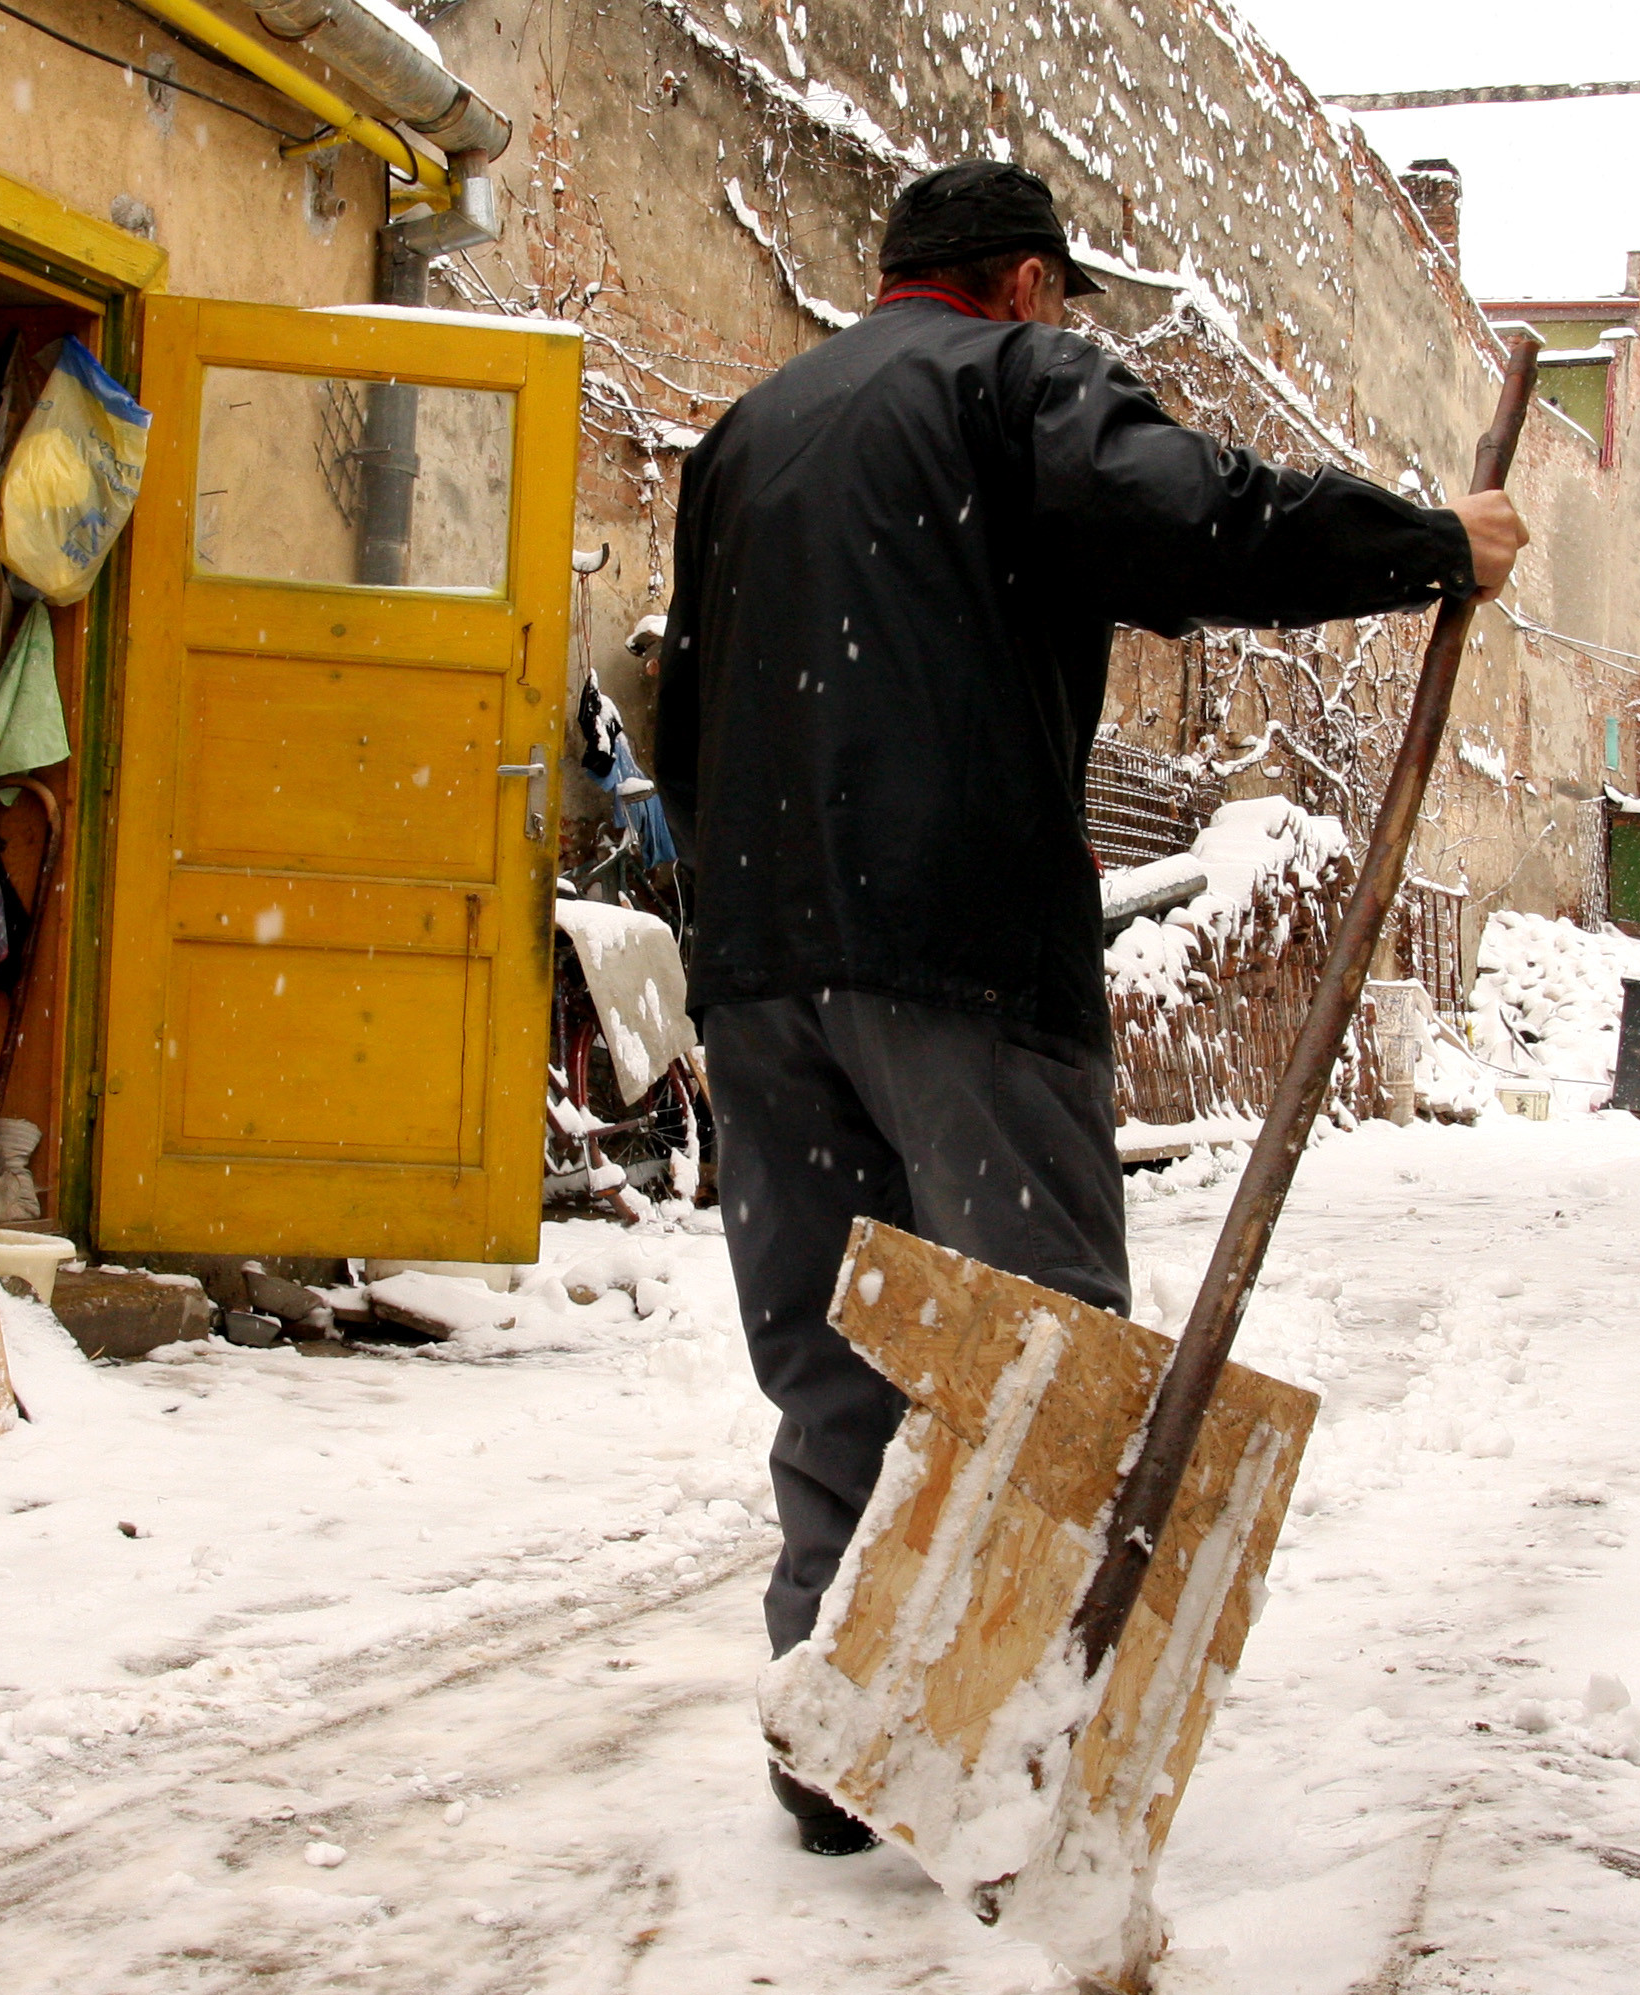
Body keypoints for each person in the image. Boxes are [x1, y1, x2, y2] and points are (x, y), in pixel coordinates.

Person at [653, 159, 1528, 1854]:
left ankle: (837, 1743)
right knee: (1041, 1354)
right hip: (966, 954)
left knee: (838, 1348)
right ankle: (974, 1732)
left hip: (762, 965)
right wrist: (1433, 545)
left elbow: (686, 704)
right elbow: (1195, 518)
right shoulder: (1015, 385)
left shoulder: (750, 434)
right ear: (1031, 284)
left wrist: (747, 923)